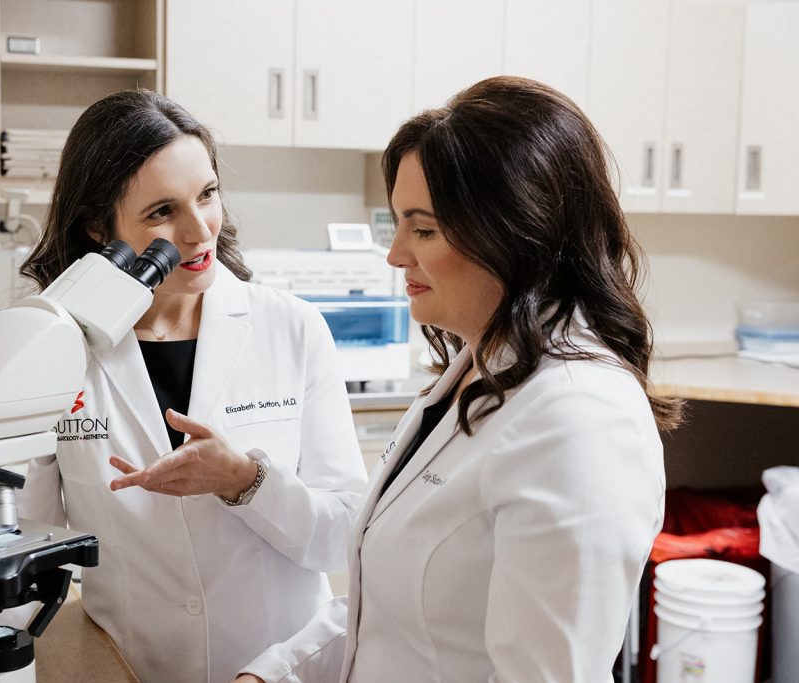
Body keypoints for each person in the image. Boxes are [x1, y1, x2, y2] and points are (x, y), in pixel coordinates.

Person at [235, 75, 681, 682]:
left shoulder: (578, 420)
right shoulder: (473, 370)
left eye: (423, 229)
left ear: (519, 231)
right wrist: (273, 673)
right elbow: (395, 610)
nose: (395, 254)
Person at [17, 89, 367, 683]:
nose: (198, 229)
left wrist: (246, 482)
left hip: (278, 669)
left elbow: (342, 540)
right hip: (130, 666)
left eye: (207, 195)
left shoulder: (292, 327)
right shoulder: (54, 352)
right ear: (101, 227)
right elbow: (25, 547)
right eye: (161, 212)